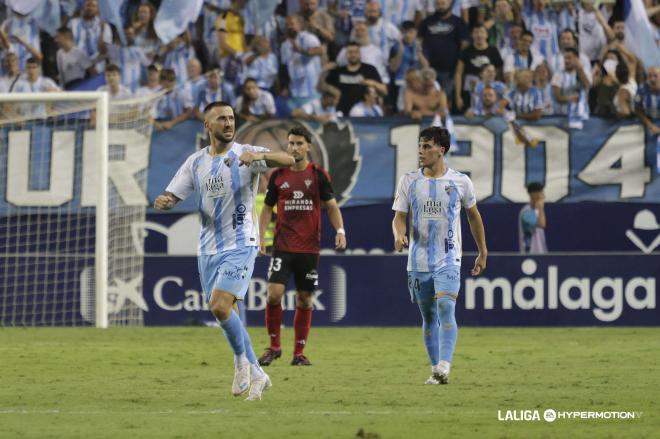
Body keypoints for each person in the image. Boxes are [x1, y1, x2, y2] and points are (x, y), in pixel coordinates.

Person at [153, 101, 295, 401]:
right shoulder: (196, 162)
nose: (228, 123)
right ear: (208, 125)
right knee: (227, 311)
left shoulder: (245, 154)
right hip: (207, 248)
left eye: (231, 118)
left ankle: (241, 363)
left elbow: (288, 158)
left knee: (219, 306)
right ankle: (257, 372)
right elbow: (174, 192)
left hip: (241, 243)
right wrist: (165, 200)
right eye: (221, 119)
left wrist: (260, 154)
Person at [392, 126, 487, 385]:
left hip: (449, 257)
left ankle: (445, 365)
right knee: (429, 317)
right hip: (418, 260)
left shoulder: (461, 182)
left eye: (427, 146)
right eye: (420, 146)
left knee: (446, 307)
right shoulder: (408, 181)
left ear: (441, 150)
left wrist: (482, 251)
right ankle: (436, 369)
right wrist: (398, 235)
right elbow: (399, 217)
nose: (421, 151)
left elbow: (473, 217)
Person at [258, 125, 347, 367]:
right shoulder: (278, 176)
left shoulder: (318, 175)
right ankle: (274, 346)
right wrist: (259, 236)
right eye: (291, 143)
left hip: (309, 249)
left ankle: (298, 353)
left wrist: (340, 231)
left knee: (305, 299)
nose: (294, 147)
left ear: (308, 146)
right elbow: (267, 208)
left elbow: (331, 206)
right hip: (283, 246)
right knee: (274, 294)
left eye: (299, 143)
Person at [519, 182, 547, 254]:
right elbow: (542, 224)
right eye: (541, 193)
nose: (543, 196)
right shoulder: (526, 212)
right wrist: (540, 208)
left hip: (540, 253)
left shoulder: (536, 211)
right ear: (533, 194)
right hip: (529, 253)